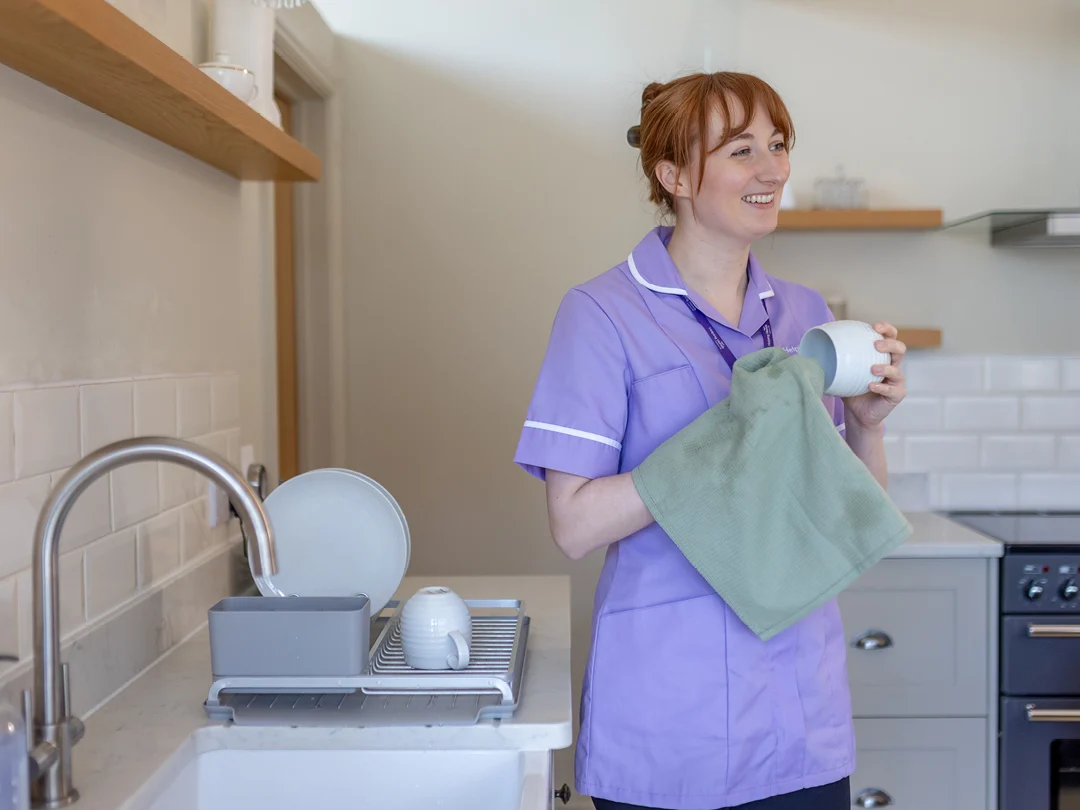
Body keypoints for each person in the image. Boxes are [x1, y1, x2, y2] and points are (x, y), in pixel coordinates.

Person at [513, 72, 908, 810]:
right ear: (674, 175)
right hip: (670, 718)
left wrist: (866, 425)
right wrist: (722, 440)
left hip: (800, 715)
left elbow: (843, 513)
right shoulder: (601, 315)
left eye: (778, 145)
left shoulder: (806, 316)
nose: (773, 170)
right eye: (741, 150)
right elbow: (573, 524)